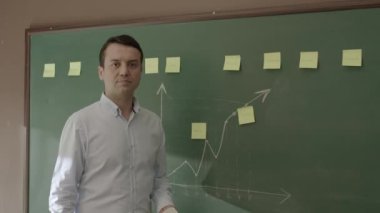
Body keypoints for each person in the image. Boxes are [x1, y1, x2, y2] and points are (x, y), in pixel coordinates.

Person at [49, 34, 177, 213]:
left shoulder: (153, 124)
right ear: (101, 72)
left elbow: (159, 181)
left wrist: (166, 207)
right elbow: (62, 194)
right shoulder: (80, 124)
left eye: (132, 64)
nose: (124, 71)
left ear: (141, 70)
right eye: (115, 64)